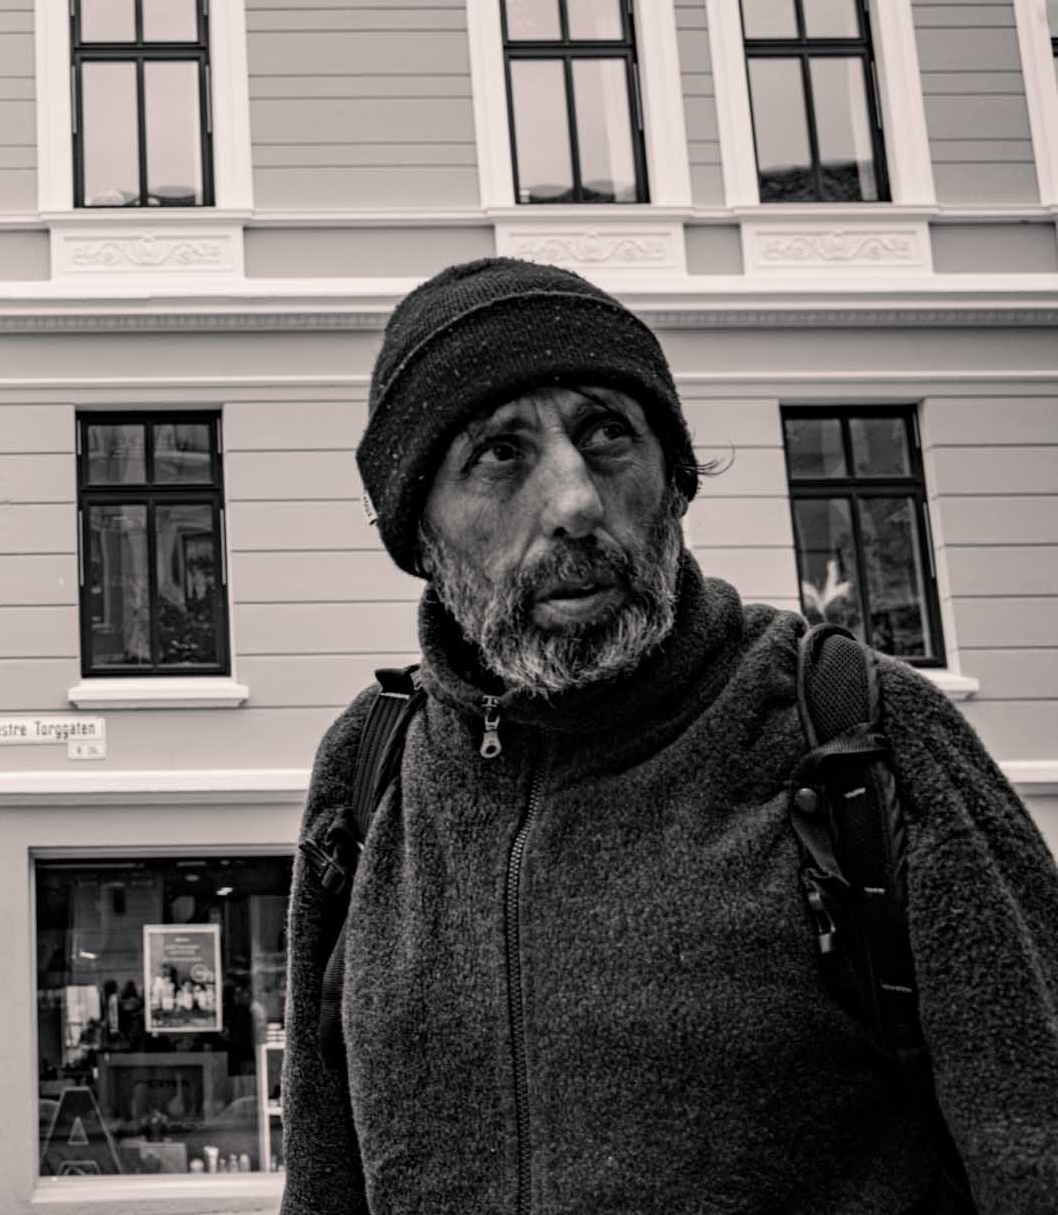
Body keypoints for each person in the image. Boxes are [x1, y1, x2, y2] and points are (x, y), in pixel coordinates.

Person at [280, 258, 1058, 1214]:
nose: (574, 501)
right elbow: (323, 1183)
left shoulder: (860, 731)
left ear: (676, 480)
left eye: (610, 433)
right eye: (500, 452)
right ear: (420, 534)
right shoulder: (370, 773)